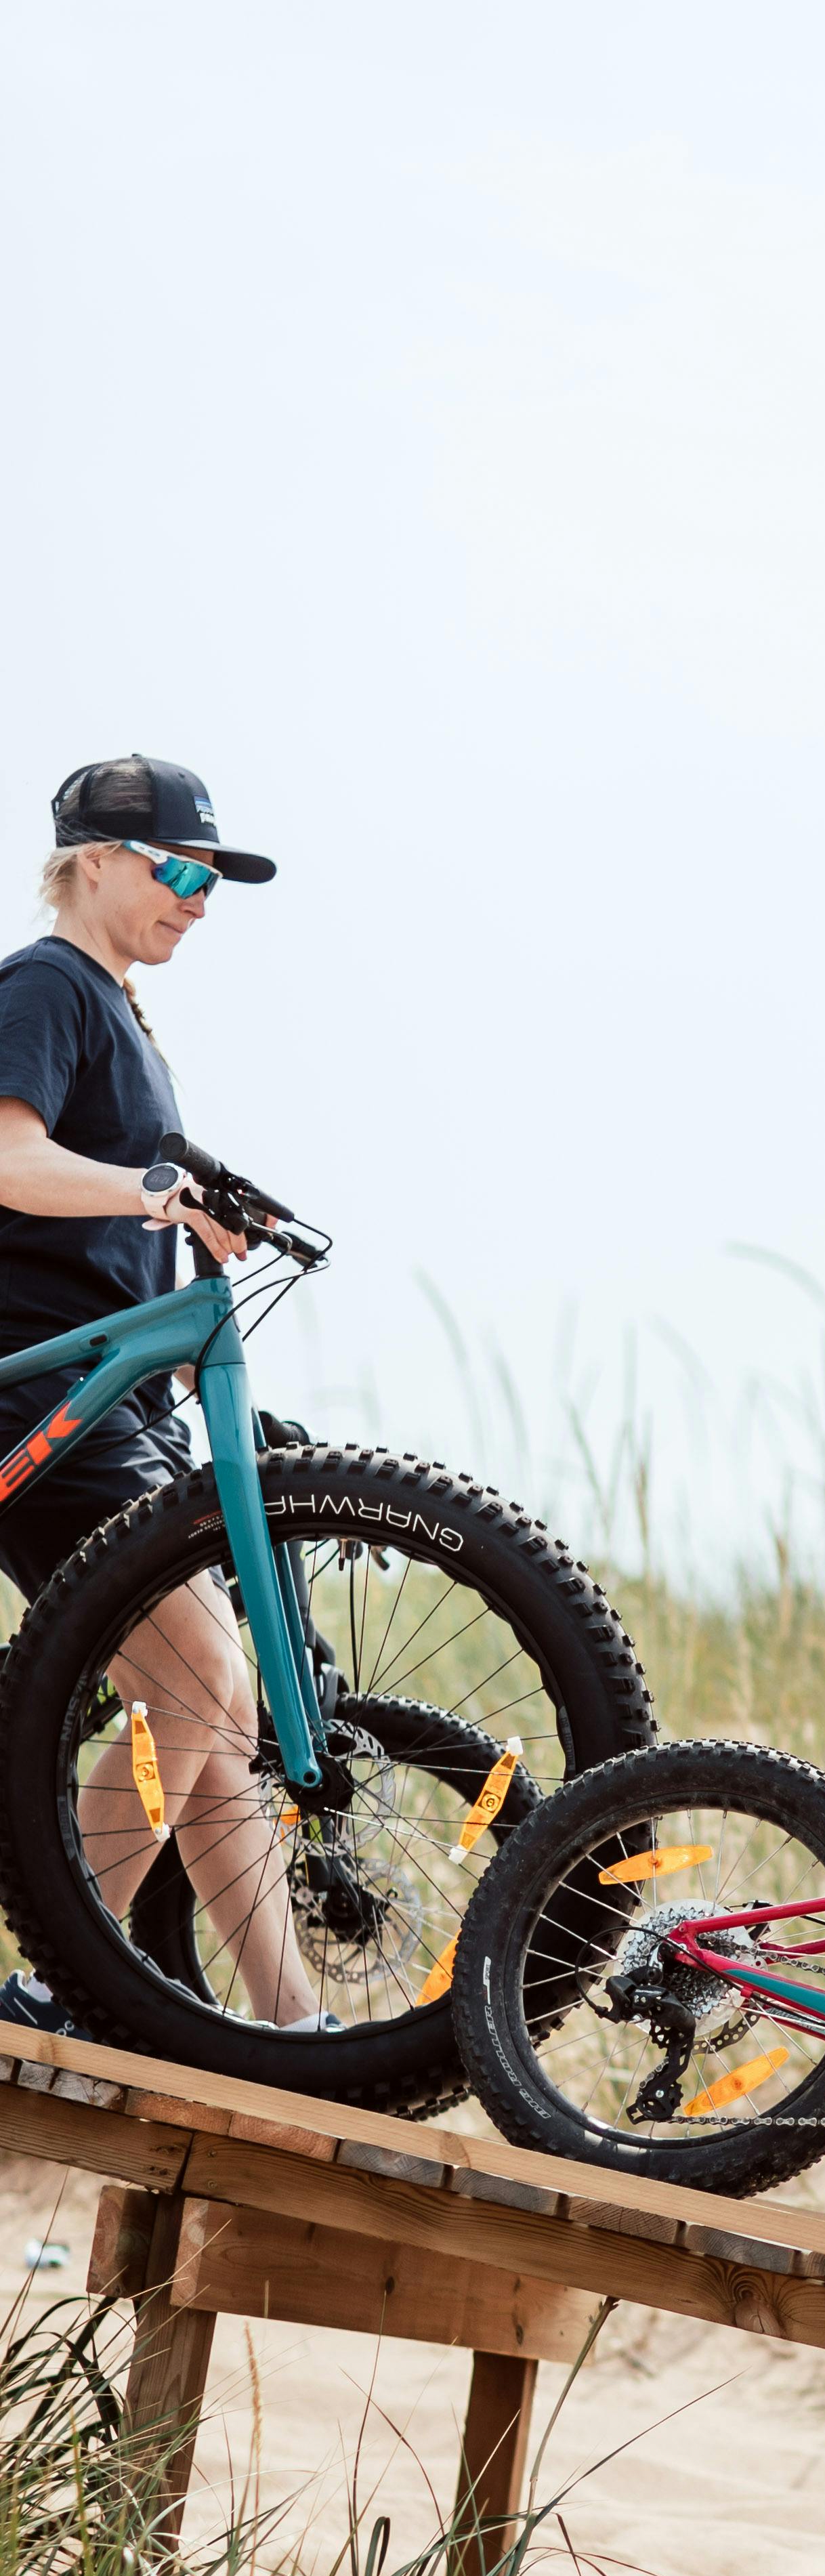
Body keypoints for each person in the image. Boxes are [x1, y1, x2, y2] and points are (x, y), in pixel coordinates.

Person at [0, 755, 323, 2031]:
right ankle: (60, 1984)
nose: (199, 899)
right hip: (44, 1399)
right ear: (92, 862)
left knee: (219, 1701)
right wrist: (151, 1192)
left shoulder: (128, 1014)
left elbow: (103, 1228)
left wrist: (187, 1314)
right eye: (179, 871)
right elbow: (14, 1162)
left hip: (116, 1395)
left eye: (214, 881)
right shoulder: (47, 983)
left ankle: (296, 2028)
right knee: (195, 1678)